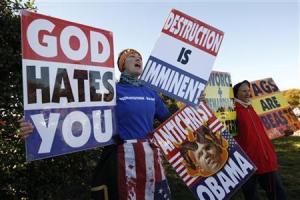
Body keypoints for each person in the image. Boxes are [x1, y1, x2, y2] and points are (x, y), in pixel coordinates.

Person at [19, 49, 172, 200]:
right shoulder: (112, 90)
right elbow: (80, 117)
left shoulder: (151, 92)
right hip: (123, 157)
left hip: (151, 156)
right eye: (132, 56)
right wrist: (37, 127)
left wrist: (191, 115)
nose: (138, 59)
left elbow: (169, 120)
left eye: (140, 57)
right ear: (123, 64)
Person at [233, 80, 287, 200]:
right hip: (245, 162)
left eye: (248, 90)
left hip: (265, 159)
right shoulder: (231, 111)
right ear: (236, 94)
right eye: (244, 91)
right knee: (251, 196)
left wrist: (286, 129)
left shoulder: (254, 107)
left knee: (277, 193)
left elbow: (272, 126)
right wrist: (203, 102)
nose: (248, 93)